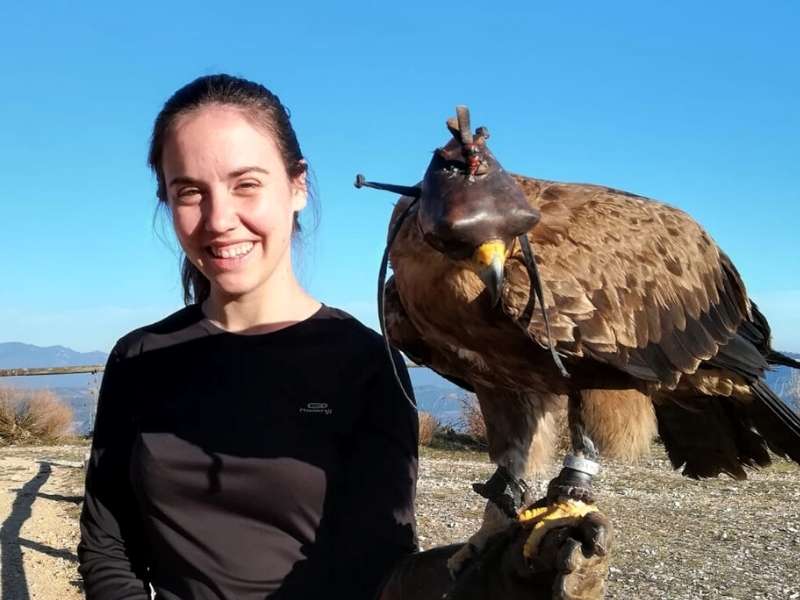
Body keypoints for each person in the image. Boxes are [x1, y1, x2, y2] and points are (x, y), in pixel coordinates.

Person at [77, 74, 419, 600]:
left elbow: (377, 563)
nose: (219, 220)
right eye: (189, 192)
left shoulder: (368, 365)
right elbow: (108, 542)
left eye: (246, 184)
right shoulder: (139, 357)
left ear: (297, 185)